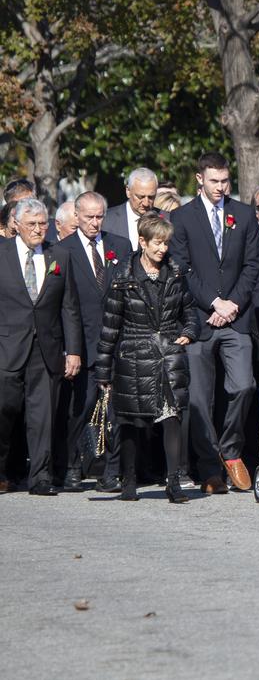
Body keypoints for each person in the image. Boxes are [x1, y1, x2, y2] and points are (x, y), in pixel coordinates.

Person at [168, 152, 259, 494]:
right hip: (200, 319)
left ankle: (230, 451)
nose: (221, 187)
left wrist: (232, 303)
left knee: (243, 386)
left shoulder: (245, 215)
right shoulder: (181, 218)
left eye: (225, 181)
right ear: (199, 179)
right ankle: (209, 467)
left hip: (235, 319)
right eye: (214, 181)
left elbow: (253, 265)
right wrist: (214, 302)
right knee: (199, 398)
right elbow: (182, 268)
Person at [94, 214, 198, 502]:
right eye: (157, 243)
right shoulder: (123, 278)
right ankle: (128, 480)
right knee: (130, 421)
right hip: (133, 355)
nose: (163, 249)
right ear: (142, 242)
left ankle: (174, 480)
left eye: (166, 243)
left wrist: (189, 331)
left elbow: (190, 312)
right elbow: (110, 326)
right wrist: (104, 370)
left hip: (167, 357)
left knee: (172, 418)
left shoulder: (176, 274)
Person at [0, 198, 83, 495]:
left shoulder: (58, 255)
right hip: (7, 346)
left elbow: (69, 307)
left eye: (42, 224)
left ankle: (40, 477)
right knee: (5, 409)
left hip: (46, 347)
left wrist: (73, 350)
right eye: (32, 224)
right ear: (16, 224)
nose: (38, 229)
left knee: (43, 415)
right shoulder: (2, 252)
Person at [50, 192, 131, 491]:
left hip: (116, 340)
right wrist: (68, 348)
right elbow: (59, 302)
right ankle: (72, 466)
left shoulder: (119, 246)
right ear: (77, 216)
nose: (95, 223)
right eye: (88, 217)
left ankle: (111, 471)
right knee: (80, 409)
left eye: (99, 217)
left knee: (115, 412)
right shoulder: (62, 249)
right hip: (81, 342)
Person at [103, 167, 159, 251]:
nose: (146, 203)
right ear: (128, 191)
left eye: (151, 197)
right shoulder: (107, 220)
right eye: (141, 197)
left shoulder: (166, 218)